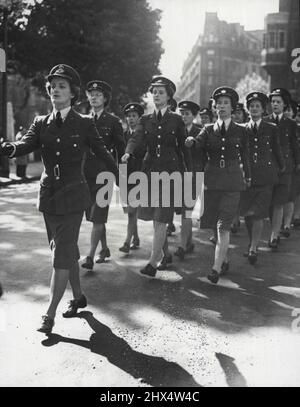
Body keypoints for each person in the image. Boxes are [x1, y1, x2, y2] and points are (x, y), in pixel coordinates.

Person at [0, 64, 118, 334]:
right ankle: (78, 297)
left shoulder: (86, 123)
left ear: (73, 92)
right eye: (52, 86)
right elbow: (26, 144)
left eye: (61, 86)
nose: (55, 90)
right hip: (49, 196)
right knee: (64, 251)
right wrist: (9, 148)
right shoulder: (41, 122)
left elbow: (103, 153)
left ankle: (49, 313)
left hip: (74, 195)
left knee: (60, 256)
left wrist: (123, 178)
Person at [122, 75, 189, 278]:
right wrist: (129, 151)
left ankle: (152, 262)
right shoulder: (145, 120)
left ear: (169, 96)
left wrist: (189, 174)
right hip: (150, 172)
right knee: (155, 218)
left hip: (170, 173)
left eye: (161, 92)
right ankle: (165, 254)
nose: (156, 95)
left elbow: (184, 148)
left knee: (161, 219)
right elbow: (137, 137)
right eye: (154, 92)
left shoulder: (176, 120)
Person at [186, 86, 251, 284]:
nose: (221, 107)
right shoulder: (207, 129)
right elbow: (198, 143)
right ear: (215, 108)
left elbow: (246, 157)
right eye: (218, 104)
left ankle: (215, 268)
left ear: (232, 108)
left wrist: (248, 177)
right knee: (214, 225)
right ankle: (223, 259)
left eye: (225, 104)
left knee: (224, 226)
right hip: (212, 181)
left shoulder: (241, 130)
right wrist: (191, 141)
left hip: (232, 183)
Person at [81, 80, 125, 270]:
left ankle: (90, 256)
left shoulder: (113, 122)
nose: (94, 97)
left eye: (98, 95)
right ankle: (105, 248)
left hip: (105, 175)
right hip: (85, 175)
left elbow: (121, 151)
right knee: (94, 217)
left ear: (105, 99)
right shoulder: (82, 120)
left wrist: (122, 177)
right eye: (91, 94)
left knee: (98, 216)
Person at [240, 92, 285, 265]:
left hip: (266, 176)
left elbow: (277, 149)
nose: (254, 109)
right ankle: (252, 243)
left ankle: (253, 248)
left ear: (263, 109)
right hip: (248, 176)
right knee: (248, 215)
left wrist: (281, 166)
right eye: (251, 106)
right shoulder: (242, 128)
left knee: (258, 214)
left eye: (258, 106)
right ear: (248, 109)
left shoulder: (272, 128)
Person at [264, 88, 300, 249]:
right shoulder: (265, 121)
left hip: (286, 167)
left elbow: (294, 145)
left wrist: (297, 163)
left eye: (278, 102)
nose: (275, 104)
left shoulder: (291, 124)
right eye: (273, 101)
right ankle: (275, 229)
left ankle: (274, 235)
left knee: (279, 202)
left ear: (284, 104)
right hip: (269, 167)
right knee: (271, 204)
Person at [173, 100, 204, 260]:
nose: (183, 116)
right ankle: (189, 242)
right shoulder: (175, 130)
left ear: (194, 116)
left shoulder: (200, 131)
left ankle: (182, 246)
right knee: (183, 212)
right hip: (177, 176)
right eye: (182, 113)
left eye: (187, 114)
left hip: (194, 176)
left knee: (186, 211)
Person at [119, 102, 145, 253]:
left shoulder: (143, 136)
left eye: (134, 116)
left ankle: (127, 242)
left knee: (132, 211)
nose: (130, 119)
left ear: (139, 118)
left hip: (139, 176)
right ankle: (135, 237)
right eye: (128, 116)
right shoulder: (123, 136)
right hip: (125, 176)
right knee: (130, 212)